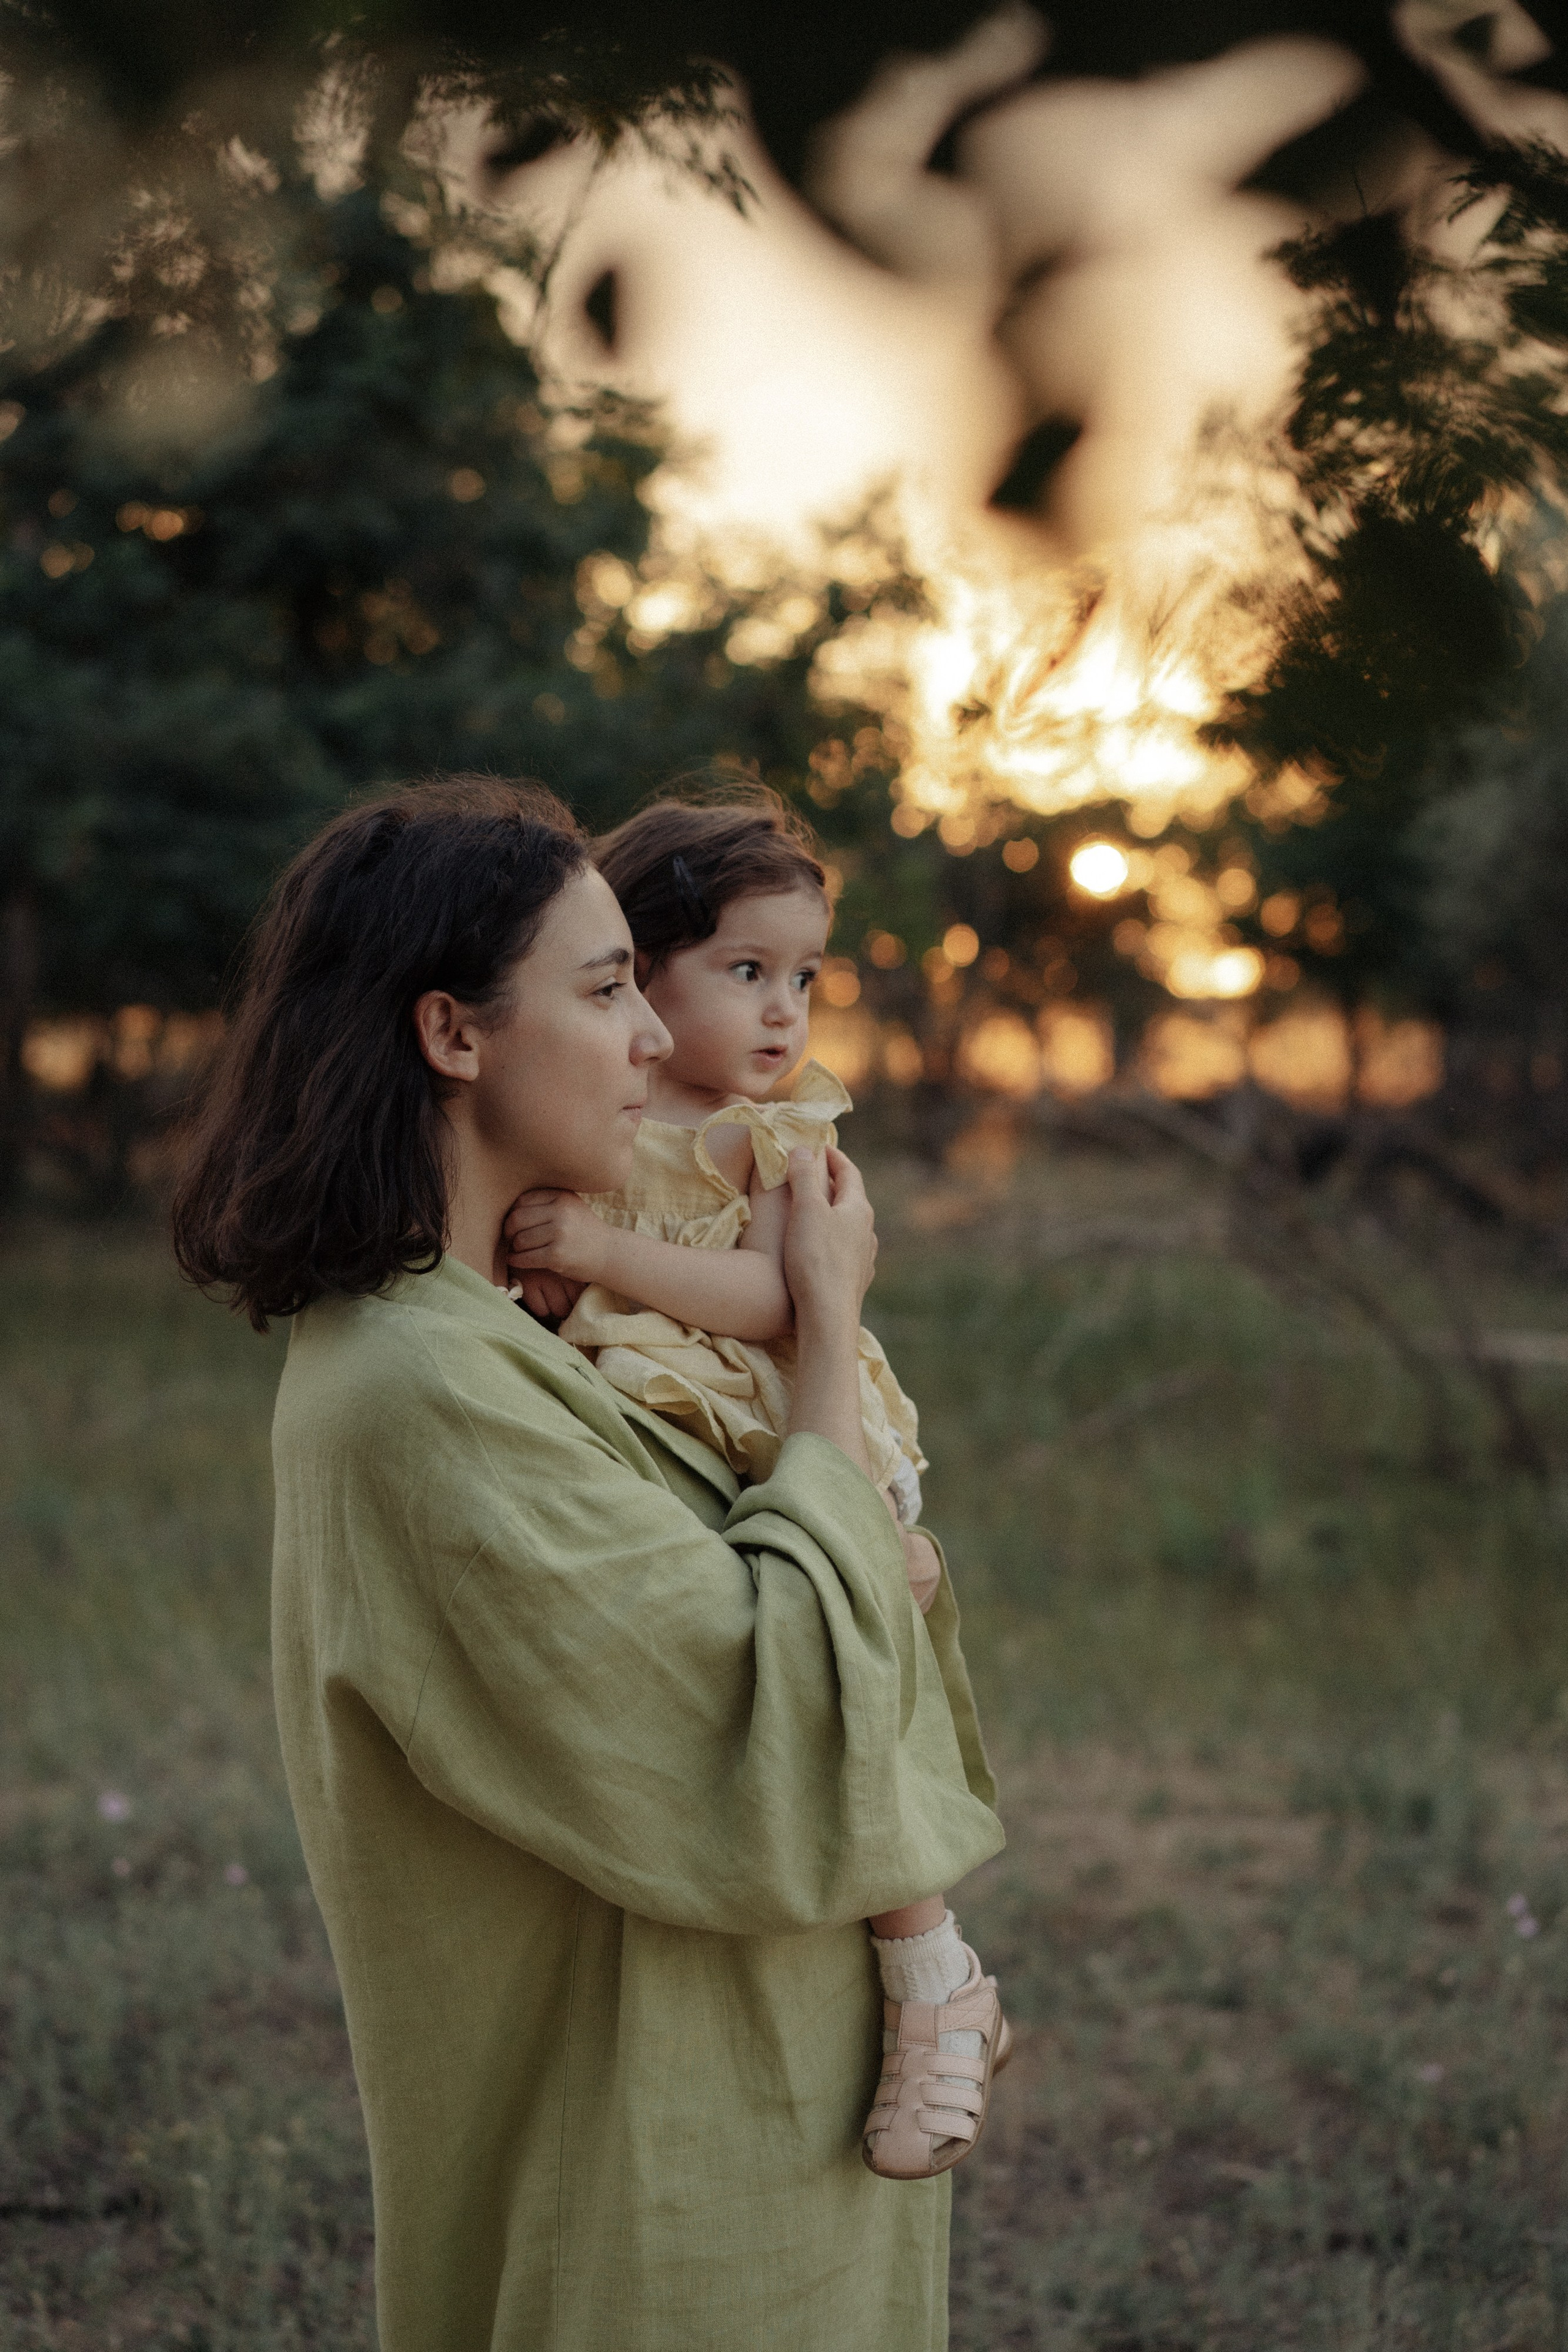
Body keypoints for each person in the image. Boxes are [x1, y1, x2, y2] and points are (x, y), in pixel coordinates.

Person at [170, 774, 1005, 2352]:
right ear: (452, 1033)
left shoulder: (506, 1337)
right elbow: (773, 1703)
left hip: (772, 2129)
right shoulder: (422, 1390)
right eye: (609, 987)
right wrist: (826, 1317)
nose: (649, 1038)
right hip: (649, 2201)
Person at [502, 791, 1011, 2184]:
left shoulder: (771, 1135)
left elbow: (785, 1301)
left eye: (804, 977)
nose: (784, 1011)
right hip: (679, 1454)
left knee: (834, 1670)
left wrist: (596, 1254)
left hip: (792, 1429)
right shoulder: (589, 1114)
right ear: (639, 975)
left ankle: (933, 1973)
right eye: (746, 970)